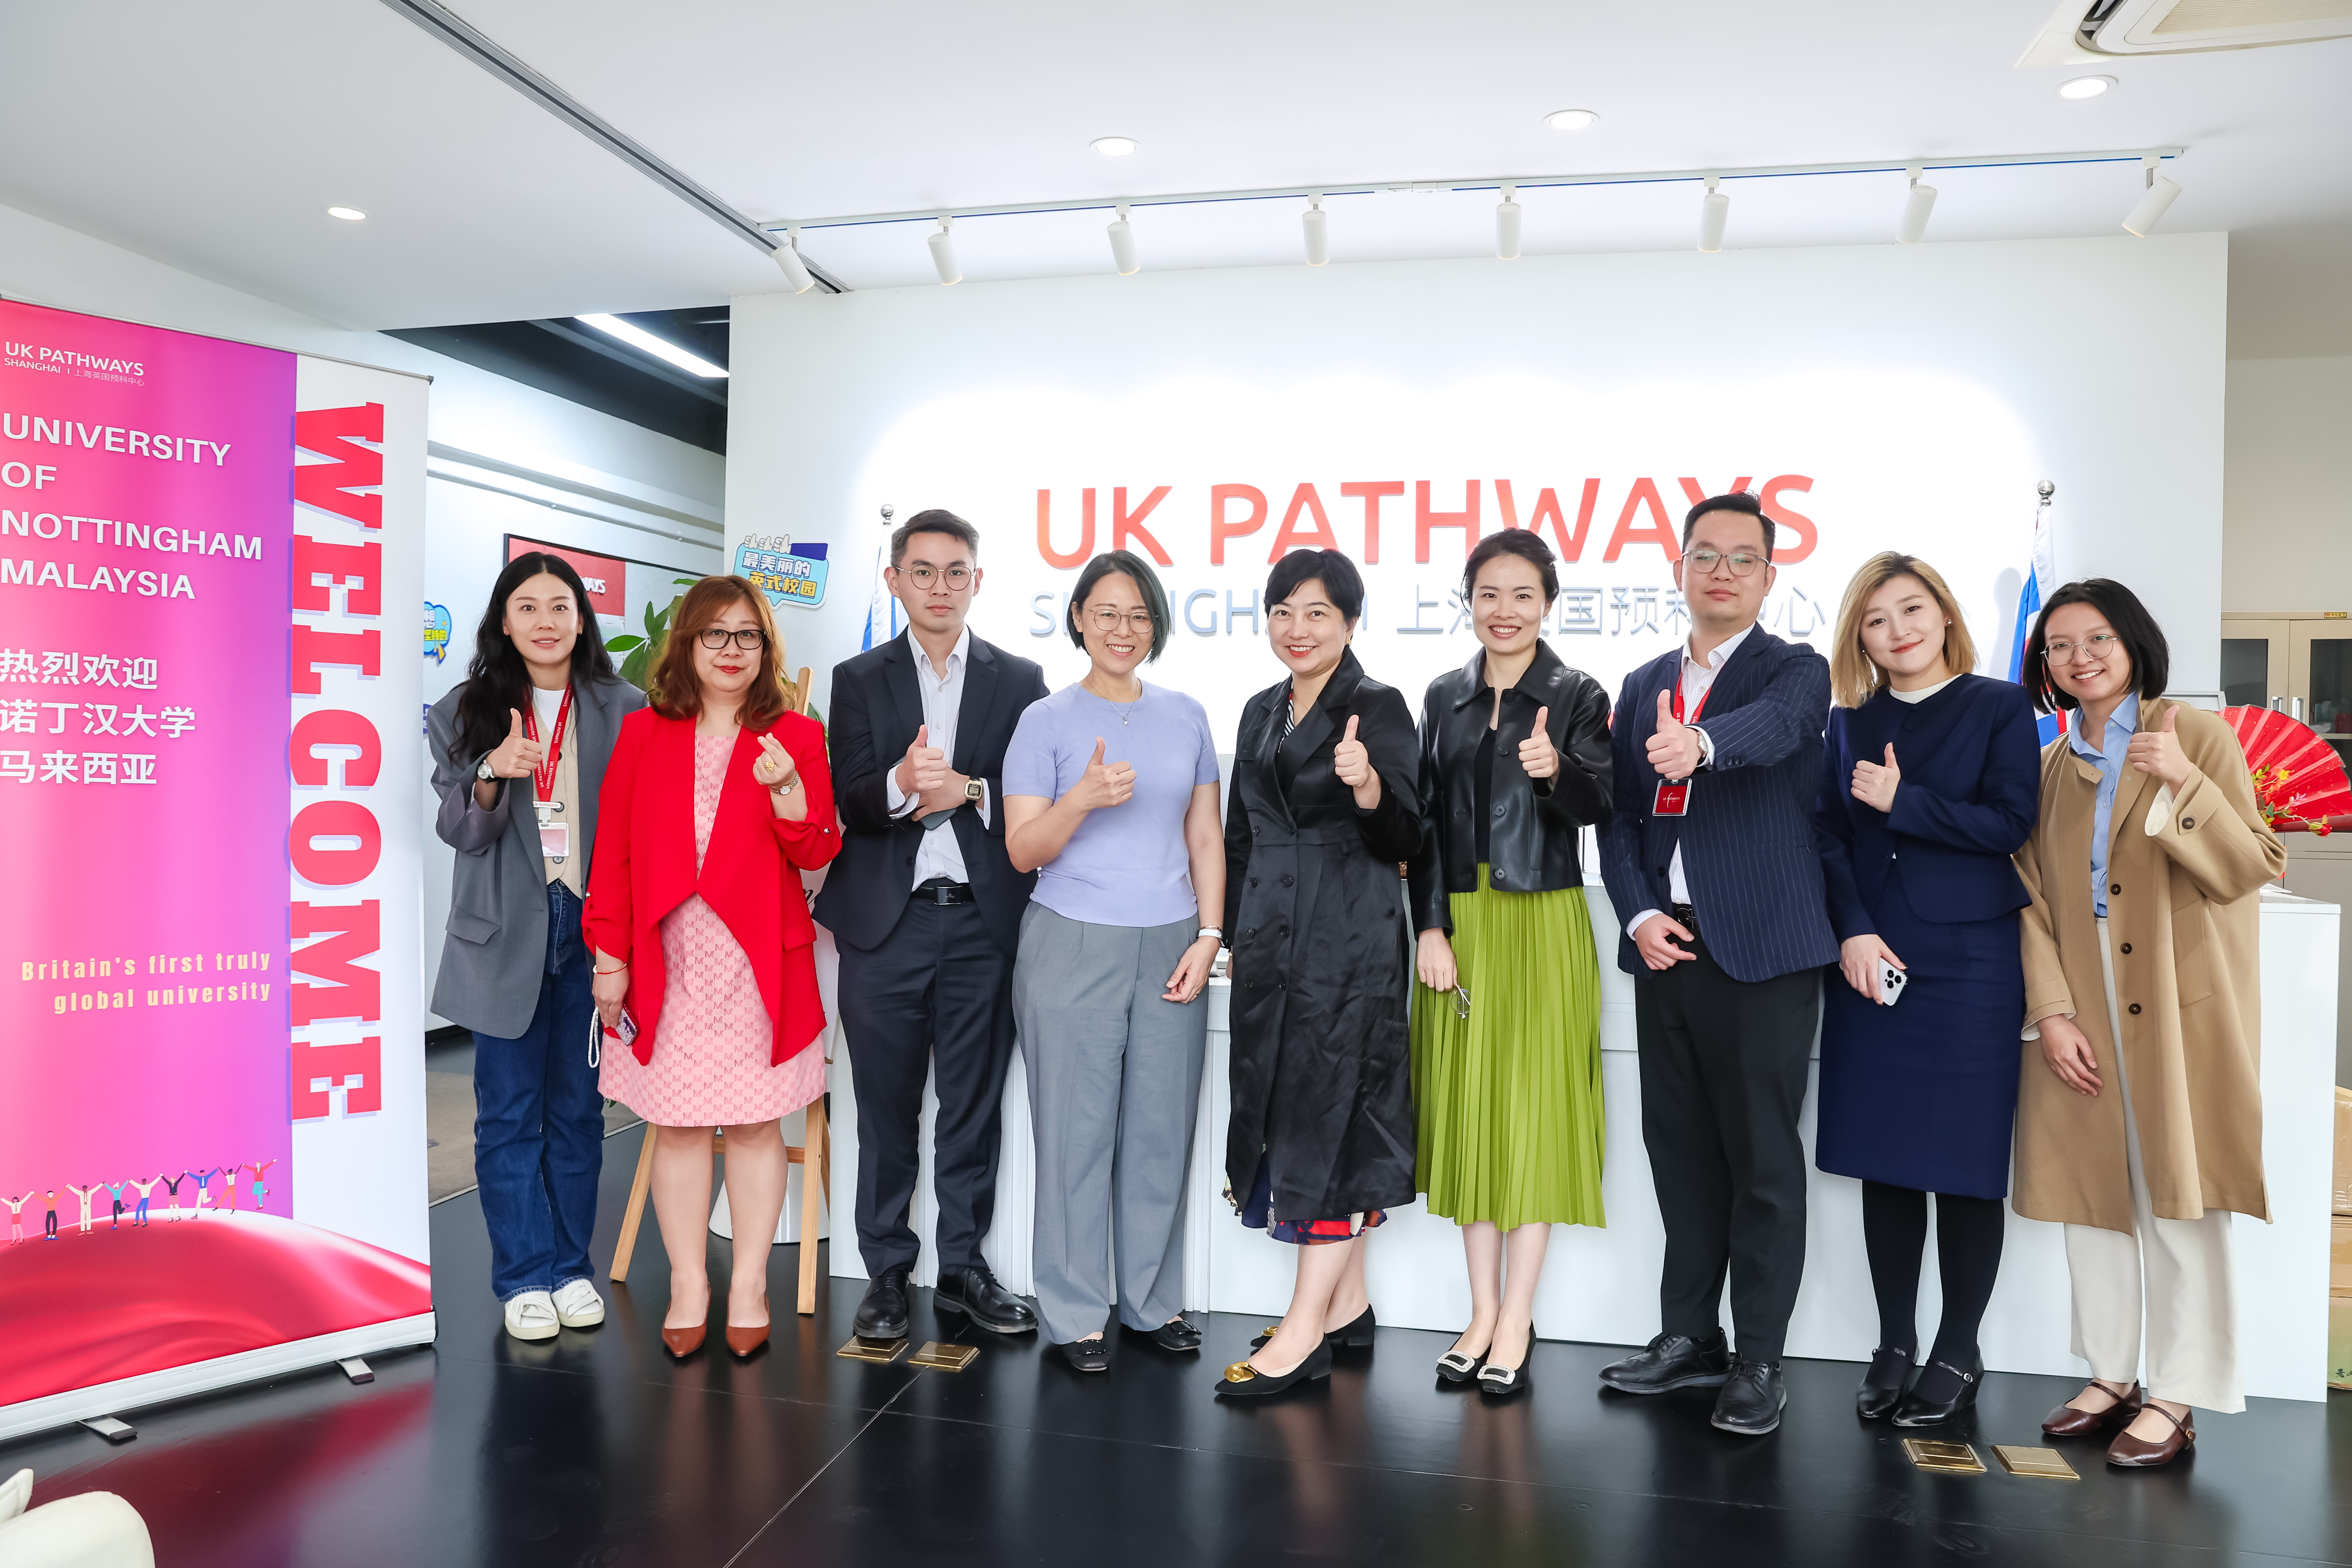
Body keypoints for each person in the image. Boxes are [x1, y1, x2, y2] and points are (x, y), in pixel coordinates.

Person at [2014, 579, 2283, 1468]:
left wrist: (2184, 781)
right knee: (2093, 1190)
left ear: (2133, 643)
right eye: (2059, 645)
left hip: (2173, 989)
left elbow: (2251, 864)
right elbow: (2030, 899)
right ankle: (2110, 1373)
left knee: (2178, 1189)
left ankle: (2177, 1389)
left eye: (2097, 638)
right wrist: (2051, 1011)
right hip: (2082, 986)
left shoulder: (2193, 734)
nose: (2079, 657)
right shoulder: (2051, 767)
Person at [1595, 490, 1839, 1437]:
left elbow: (1777, 729)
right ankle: (1690, 1336)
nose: (1723, 571)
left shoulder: (1798, 671)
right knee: (1681, 1152)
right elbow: (1621, 815)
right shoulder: (1643, 679)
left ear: (1770, 576)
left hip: (1765, 949)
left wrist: (1699, 743)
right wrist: (1639, 911)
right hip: (1670, 946)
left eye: (1743, 557)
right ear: (1680, 570)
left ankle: (1760, 1358)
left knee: (1763, 1160)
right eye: (1706, 555)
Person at [585, 575, 841, 1361]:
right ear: (688, 644)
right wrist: (609, 958)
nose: (732, 649)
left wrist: (786, 785)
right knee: (679, 1125)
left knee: (758, 1124)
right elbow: (614, 852)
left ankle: (751, 1284)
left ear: (765, 649)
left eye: (747, 635)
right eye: (715, 634)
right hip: (668, 956)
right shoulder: (644, 733)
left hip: (759, 959)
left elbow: (818, 849)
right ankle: (690, 1282)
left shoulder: (794, 735)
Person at [1812, 552, 2042, 1426]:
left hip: (1970, 961)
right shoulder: (1848, 721)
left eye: (1912, 609)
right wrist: (1851, 929)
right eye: (1876, 619)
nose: (1898, 630)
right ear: (1859, 638)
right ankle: (1894, 1342)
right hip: (1871, 957)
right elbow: (1827, 837)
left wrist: (1904, 801)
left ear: (1944, 613)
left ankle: (1957, 1347)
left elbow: (2010, 823)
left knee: (1965, 1164)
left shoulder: (1998, 705)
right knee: (1888, 1161)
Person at [818, 510, 1049, 1344]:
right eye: (923, 571)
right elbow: (849, 798)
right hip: (887, 925)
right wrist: (900, 782)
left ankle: (961, 1269)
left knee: (971, 1108)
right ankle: (885, 1272)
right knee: (884, 1111)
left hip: (984, 924)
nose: (940, 587)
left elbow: (1041, 794)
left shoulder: (1020, 680)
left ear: (977, 581)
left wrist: (972, 791)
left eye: (956, 572)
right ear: (894, 580)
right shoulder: (857, 677)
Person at [1003, 550, 1225, 1374]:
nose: (1122, 629)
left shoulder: (1188, 715)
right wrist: (1082, 798)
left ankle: (1152, 1302)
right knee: (1075, 1135)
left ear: (1157, 624)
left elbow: (1205, 836)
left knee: (1160, 1131)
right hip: (1071, 939)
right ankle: (1074, 1312)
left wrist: (1210, 935)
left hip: (1172, 942)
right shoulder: (1044, 721)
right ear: (1078, 619)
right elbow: (1023, 849)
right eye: (1106, 612)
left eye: (1138, 614)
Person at [1407, 529, 1613, 1398]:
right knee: (1470, 1114)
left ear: (1548, 603)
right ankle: (1480, 1310)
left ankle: (1517, 1316)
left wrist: (1555, 769)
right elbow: (1421, 821)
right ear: (1468, 601)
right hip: (1461, 924)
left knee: (1531, 1115)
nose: (1505, 610)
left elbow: (1601, 802)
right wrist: (1429, 927)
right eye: (1488, 593)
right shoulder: (1441, 695)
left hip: (1543, 919)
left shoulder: (1578, 693)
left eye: (1522, 594)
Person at [1214, 549, 1422, 1399]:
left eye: (1317, 613)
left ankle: (1302, 1332)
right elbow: (1238, 835)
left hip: (1347, 941)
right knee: (1286, 1112)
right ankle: (1347, 1307)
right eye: (1283, 611)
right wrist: (1231, 934)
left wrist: (1368, 786)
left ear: (1350, 621)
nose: (1297, 629)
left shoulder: (1379, 705)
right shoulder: (1260, 709)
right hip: (1269, 941)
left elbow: (1409, 835)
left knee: (1331, 1120)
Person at [428, 551, 645, 1343]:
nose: (546, 621)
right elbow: (462, 831)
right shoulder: (463, 709)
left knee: (579, 1112)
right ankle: (523, 1277)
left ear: (582, 620)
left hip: (594, 928)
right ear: (504, 621)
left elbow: (643, 829)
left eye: (560, 606)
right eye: (528, 607)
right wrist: (492, 770)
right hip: (504, 934)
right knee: (509, 1114)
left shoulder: (628, 707)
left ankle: (571, 1267)